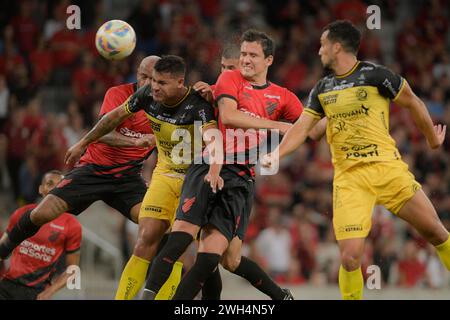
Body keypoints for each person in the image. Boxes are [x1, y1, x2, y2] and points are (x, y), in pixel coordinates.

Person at [262, 20, 449, 300]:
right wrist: (276, 154)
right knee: (350, 257)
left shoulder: (376, 75)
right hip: (350, 179)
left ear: (337, 47)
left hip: (387, 169)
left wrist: (432, 139)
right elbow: (304, 127)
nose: (319, 51)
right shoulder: (323, 88)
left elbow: (412, 101)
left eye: (323, 44)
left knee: (436, 232)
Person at [142, 30, 325, 300]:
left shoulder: (282, 97)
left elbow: (312, 130)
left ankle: (280, 296)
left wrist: (332, 116)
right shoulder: (229, 78)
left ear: (269, 60)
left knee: (218, 260)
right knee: (180, 240)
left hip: (240, 177)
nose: (246, 60)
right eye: (244, 54)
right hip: (207, 165)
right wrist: (278, 125)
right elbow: (228, 115)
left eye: (253, 55)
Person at [64, 55, 221, 300]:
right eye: (153, 80)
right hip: (164, 175)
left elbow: (214, 140)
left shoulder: (199, 104)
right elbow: (112, 118)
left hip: (194, 180)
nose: (155, 87)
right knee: (145, 238)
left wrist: (213, 171)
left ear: (180, 82)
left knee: (177, 250)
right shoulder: (147, 95)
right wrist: (83, 143)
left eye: (162, 83)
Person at [0, 57, 157, 276]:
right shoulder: (118, 94)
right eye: (143, 76)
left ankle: (157, 281)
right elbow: (103, 132)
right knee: (40, 214)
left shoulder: (166, 108)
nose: (148, 82)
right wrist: (134, 141)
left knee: (157, 225)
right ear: (136, 74)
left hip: (128, 178)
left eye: (153, 78)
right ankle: (4, 249)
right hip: (93, 170)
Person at [0, 170, 81, 300]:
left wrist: (50, 292)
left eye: (59, 185)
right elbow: (2, 248)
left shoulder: (72, 225)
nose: (54, 188)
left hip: (38, 293)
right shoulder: (21, 213)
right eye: (49, 183)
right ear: (41, 189)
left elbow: (73, 271)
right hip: (7, 287)